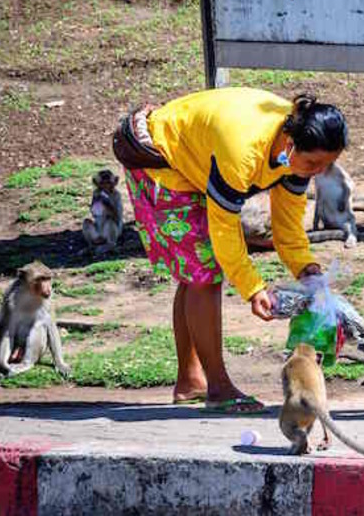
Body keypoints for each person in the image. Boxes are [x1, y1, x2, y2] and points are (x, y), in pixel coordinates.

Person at [122, 87, 347, 413]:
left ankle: (190, 381)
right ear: (290, 143)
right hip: (158, 158)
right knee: (204, 274)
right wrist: (252, 287)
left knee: (196, 273)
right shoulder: (243, 151)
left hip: (192, 160)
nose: (318, 172)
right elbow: (225, 229)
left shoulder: (292, 155)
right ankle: (218, 388)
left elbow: (287, 223)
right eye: (313, 162)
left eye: (326, 165)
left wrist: (305, 267)